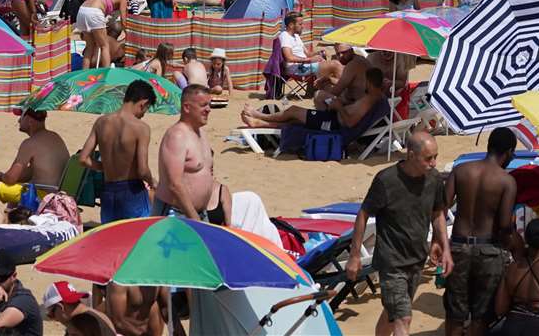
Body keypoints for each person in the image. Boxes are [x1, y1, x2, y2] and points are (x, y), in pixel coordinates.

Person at [347, 129, 450, 336]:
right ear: (411, 155)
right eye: (428, 158)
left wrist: (443, 246)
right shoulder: (387, 180)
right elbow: (363, 214)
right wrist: (355, 255)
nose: (434, 163)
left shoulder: (434, 179)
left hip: (417, 258)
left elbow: (437, 214)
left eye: (436, 157)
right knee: (403, 317)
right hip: (391, 262)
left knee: (392, 313)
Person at [445, 126, 518, 336]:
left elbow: (441, 207)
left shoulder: (461, 170)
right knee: (481, 315)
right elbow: (504, 225)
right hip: (488, 250)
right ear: (510, 152)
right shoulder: (506, 181)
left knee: (455, 314)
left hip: (458, 246)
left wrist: (440, 242)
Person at [78, 80, 156, 226]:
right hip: (132, 191)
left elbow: (83, 159)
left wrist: (104, 166)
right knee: (136, 238)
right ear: (143, 103)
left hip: (108, 191)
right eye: (146, 109)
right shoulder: (141, 128)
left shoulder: (101, 122)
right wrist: (153, 182)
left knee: (112, 239)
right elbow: (142, 170)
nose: (143, 115)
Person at [240, 66, 387, 138]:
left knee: (293, 111)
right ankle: (259, 123)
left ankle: (258, 116)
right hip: (333, 120)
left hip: (334, 124)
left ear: (368, 82)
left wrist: (339, 106)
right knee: (295, 121)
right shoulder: (377, 97)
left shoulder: (369, 100)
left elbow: (350, 123)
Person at [156, 84, 225, 224]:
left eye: (209, 105)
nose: (208, 110)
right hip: (176, 213)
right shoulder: (177, 136)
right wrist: (195, 219)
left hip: (198, 214)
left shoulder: (201, 133)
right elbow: (174, 184)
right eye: (203, 105)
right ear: (187, 107)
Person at [0, 108, 70, 207]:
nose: (18, 120)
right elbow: (32, 172)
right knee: (18, 188)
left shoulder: (30, 143)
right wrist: (4, 176)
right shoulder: (54, 137)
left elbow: (11, 178)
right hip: (59, 194)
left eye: (21, 117)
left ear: (29, 120)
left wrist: (0, 177)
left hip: (44, 196)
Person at [41, 282, 118, 336]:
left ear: (60, 307)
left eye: (52, 314)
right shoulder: (100, 315)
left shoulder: (77, 326)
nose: (55, 319)